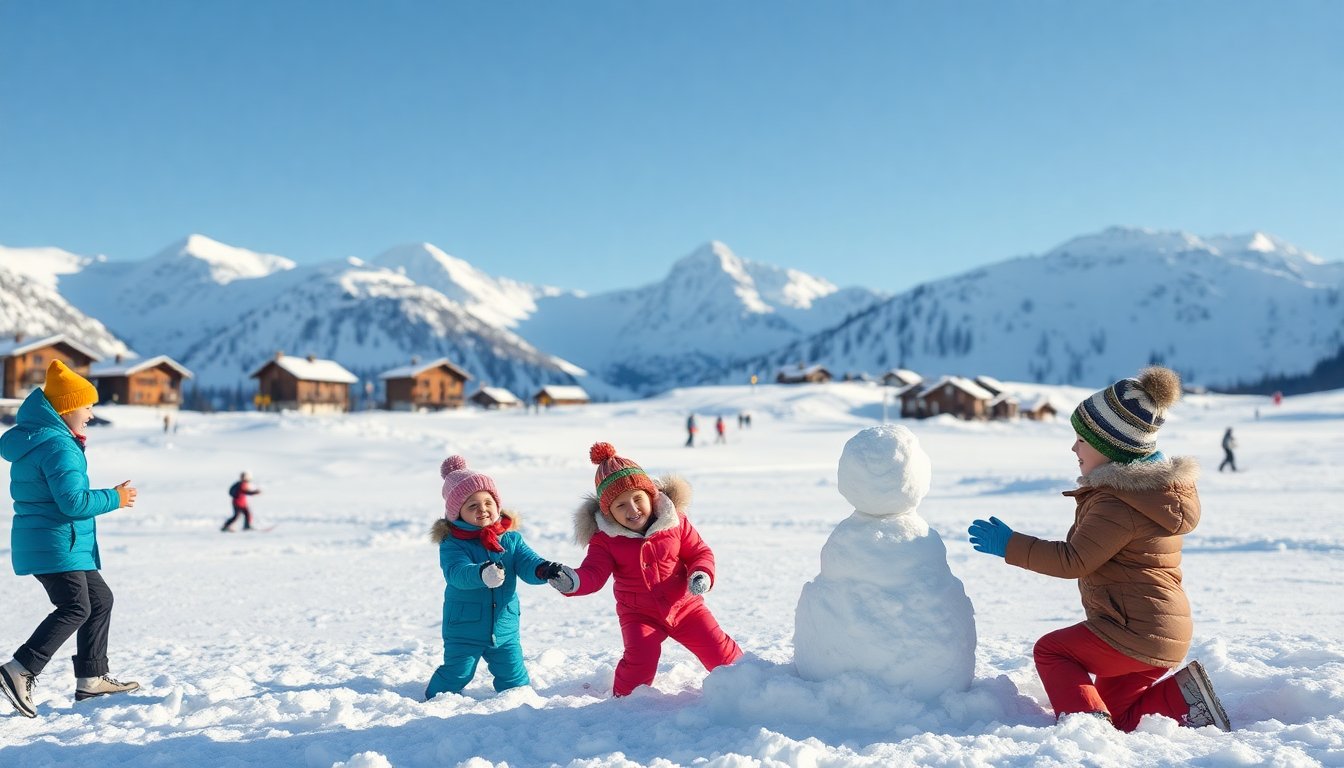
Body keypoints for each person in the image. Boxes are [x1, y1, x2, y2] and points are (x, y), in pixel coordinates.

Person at [967, 366, 1230, 732]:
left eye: (1082, 440)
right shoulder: (1150, 496)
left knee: (1052, 651)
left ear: (1111, 448)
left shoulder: (1120, 503)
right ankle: (1188, 702)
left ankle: (1086, 730)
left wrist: (1012, 545)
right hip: (1156, 631)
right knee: (1117, 716)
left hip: (1135, 632)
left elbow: (1072, 560)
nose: (1074, 448)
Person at [0, 361, 140, 717]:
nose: (92, 415)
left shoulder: (43, 439)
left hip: (61, 543)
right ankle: (20, 670)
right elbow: (73, 502)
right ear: (66, 409)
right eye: (87, 407)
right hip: (55, 544)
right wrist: (115, 498)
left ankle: (91, 677)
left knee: (100, 599)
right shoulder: (59, 447)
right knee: (76, 607)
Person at [552, 442, 742, 696]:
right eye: (620, 505)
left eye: (637, 499)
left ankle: (749, 680)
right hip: (638, 614)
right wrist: (573, 582)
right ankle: (624, 705)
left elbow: (699, 552)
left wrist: (701, 573)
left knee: (719, 649)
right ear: (608, 513)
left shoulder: (674, 523)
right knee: (639, 662)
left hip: (685, 607)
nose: (632, 509)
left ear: (650, 496)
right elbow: (593, 573)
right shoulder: (605, 539)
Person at [425, 456, 574, 699]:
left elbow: (528, 562)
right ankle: (430, 704)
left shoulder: (510, 539)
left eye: (487, 502)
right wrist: (481, 573)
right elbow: (456, 573)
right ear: (457, 513)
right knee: (456, 674)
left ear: (497, 504)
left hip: (504, 627)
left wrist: (544, 570)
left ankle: (519, 715)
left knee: (515, 681)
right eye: (472, 505)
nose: (482, 509)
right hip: (464, 628)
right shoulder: (452, 543)